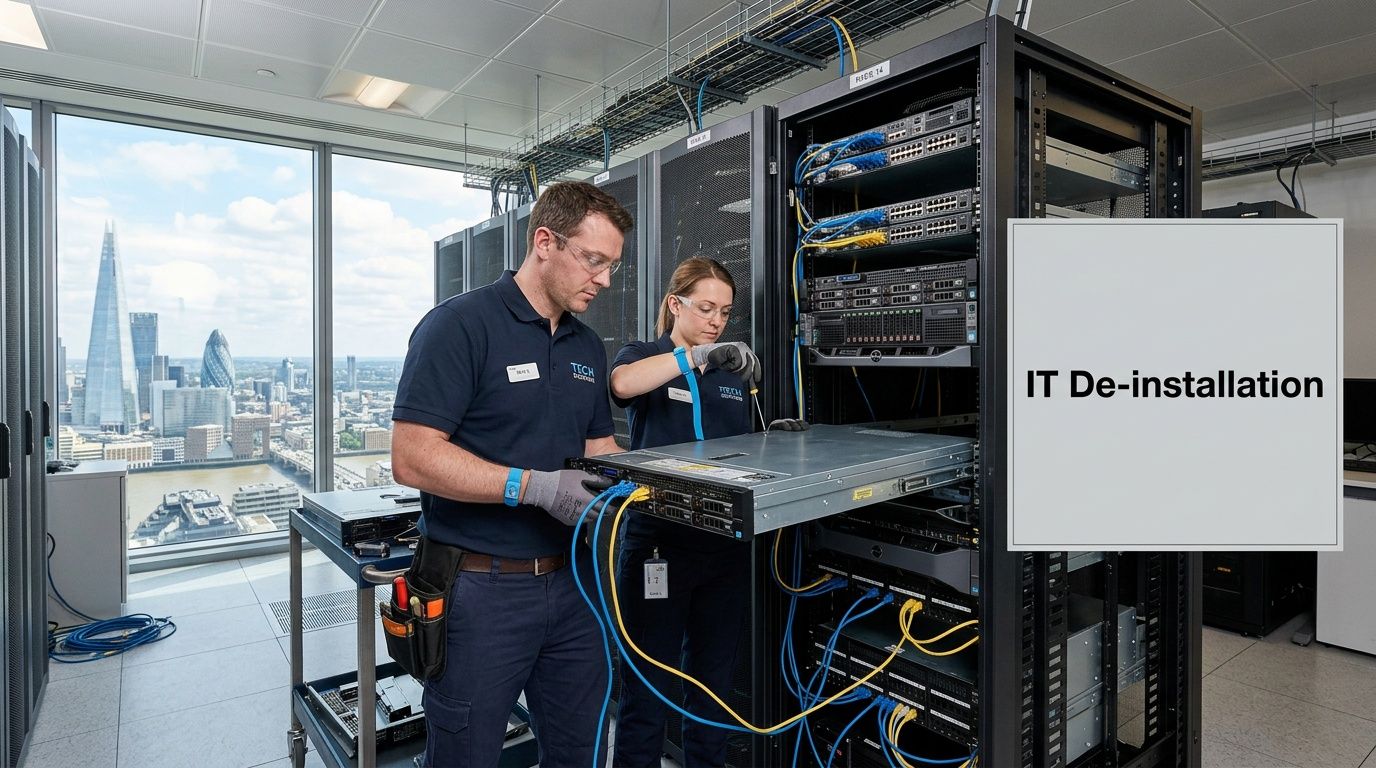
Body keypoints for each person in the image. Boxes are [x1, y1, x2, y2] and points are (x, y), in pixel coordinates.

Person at [390, 180, 632, 768]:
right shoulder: (460, 326)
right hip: (480, 592)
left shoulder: (587, 346)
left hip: (576, 587)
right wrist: (535, 486)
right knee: (465, 755)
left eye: (611, 266)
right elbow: (413, 456)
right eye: (593, 260)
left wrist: (668, 474)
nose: (602, 280)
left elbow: (598, 446)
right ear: (544, 242)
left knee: (578, 752)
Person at [607, 257, 766, 768]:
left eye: (724, 312)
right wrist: (696, 356)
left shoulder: (729, 374)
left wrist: (776, 437)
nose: (716, 321)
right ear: (675, 305)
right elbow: (622, 385)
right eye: (704, 308)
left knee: (713, 689)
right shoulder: (648, 356)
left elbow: (740, 449)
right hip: (659, 546)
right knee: (648, 691)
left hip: (723, 549)